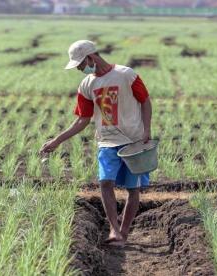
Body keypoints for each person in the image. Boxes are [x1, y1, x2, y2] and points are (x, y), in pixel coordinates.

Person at [39, 40, 152, 247]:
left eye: (81, 65)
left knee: (133, 189)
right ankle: (114, 230)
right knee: (105, 182)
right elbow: (83, 119)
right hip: (107, 141)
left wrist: (147, 130)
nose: (80, 69)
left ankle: (124, 231)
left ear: (91, 58)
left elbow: (145, 100)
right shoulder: (87, 84)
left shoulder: (127, 74)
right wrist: (57, 140)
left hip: (133, 141)